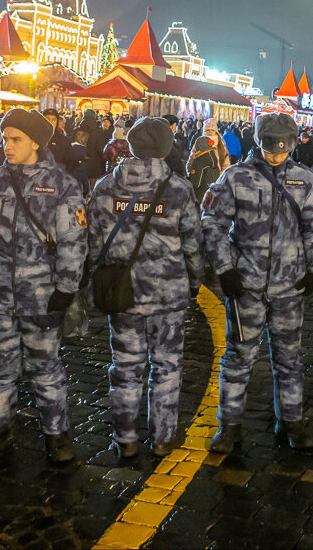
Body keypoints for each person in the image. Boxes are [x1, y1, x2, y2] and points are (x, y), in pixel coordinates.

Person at [0, 108, 86, 463]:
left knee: (46, 367)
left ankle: (56, 436)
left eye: (15, 139)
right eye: (4, 138)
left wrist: (66, 286)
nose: (7, 145)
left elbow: (73, 240)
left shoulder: (63, 185)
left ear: (36, 142)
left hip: (42, 295)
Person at [202, 113, 313, 453]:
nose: (276, 156)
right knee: (238, 357)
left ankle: (291, 419)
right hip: (246, 283)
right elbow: (212, 224)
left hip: (289, 285)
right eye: (271, 149)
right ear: (259, 142)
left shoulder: (304, 179)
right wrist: (225, 268)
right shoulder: (235, 177)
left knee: (289, 358)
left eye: (282, 150)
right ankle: (228, 425)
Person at [87, 118, 204, 458]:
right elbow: (193, 245)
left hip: (123, 293)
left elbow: (93, 243)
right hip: (168, 296)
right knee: (167, 366)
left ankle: (125, 439)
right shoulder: (179, 190)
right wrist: (194, 282)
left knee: (124, 366)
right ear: (167, 148)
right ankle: (163, 438)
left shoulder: (106, 187)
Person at [186, 135, 220, 204]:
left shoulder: (199, 162)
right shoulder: (214, 159)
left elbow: (195, 183)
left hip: (200, 199)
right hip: (212, 198)